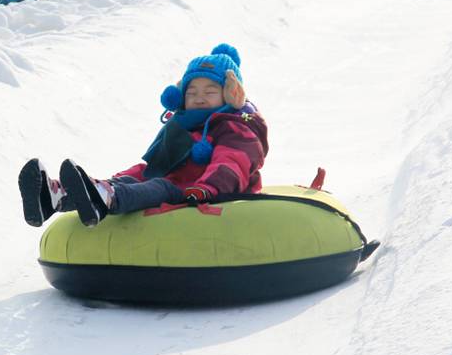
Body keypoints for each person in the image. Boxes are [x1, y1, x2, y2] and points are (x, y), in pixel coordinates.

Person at [17, 44, 268, 228]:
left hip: (211, 192)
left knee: (159, 186)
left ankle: (107, 198)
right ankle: (57, 198)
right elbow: (158, 165)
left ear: (229, 94)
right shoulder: (184, 124)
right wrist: (124, 178)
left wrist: (207, 188)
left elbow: (232, 162)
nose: (199, 97)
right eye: (191, 92)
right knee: (136, 174)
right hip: (179, 183)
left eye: (210, 91)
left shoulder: (236, 126)